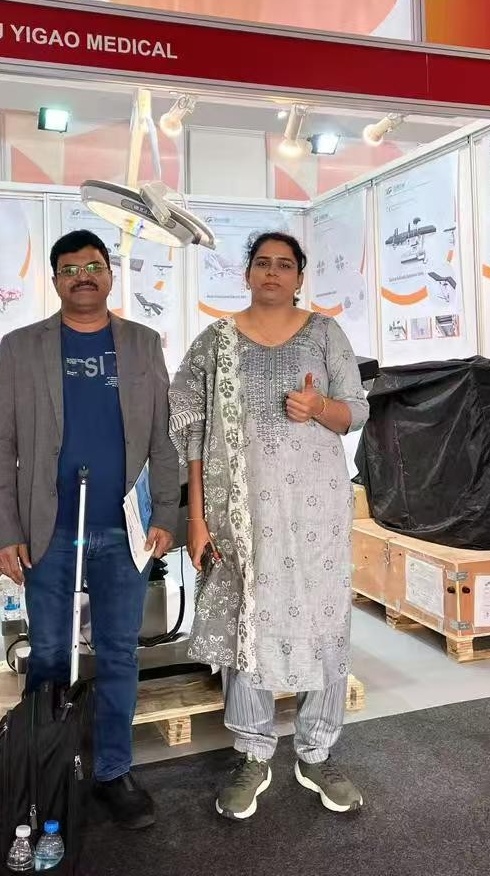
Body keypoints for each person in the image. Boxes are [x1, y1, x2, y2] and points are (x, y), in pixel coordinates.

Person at [0, 229, 180, 830]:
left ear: (110, 276)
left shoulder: (143, 344)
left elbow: (163, 438)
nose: (83, 277)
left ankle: (114, 772)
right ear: (55, 280)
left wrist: (166, 513)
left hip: (123, 531)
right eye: (69, 269)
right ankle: (42, 771)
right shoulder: (21, 348)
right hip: (47, 530)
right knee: (47, 654)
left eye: (93, 266)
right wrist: (3, 530)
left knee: (119, 653)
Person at [169, 232, 369, 821]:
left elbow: (356, 410)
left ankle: (317, 752)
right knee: (247, 621)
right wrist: (197, 519)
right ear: (248, 273)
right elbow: (191, 433)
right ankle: (252, 752)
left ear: (300, 277)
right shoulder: (216, 342)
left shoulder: (325, 333)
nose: (273, 273)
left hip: (316, 513)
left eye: (285, 265)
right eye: (263, 263)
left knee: (324, 621)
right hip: (241, 514)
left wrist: (319, 408)